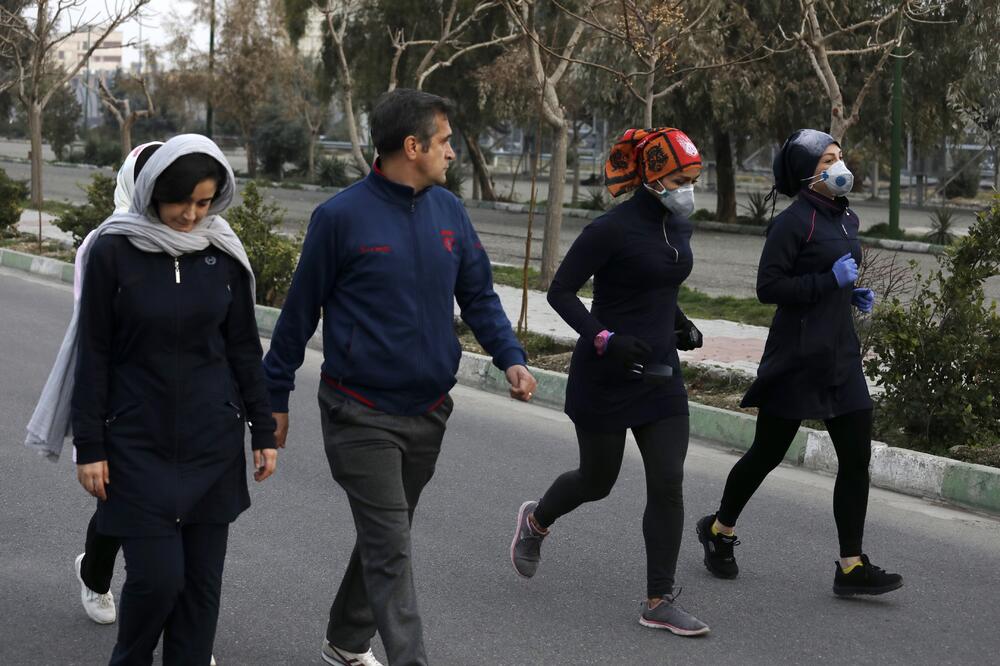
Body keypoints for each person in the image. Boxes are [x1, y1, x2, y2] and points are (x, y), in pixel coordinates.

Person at [262, 89, 538, 666]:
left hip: (429, 410)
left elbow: (479, 295)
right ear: (412, 147)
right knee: (392, 547)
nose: (452, 154)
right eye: (444, 142)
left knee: (384, 538)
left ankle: (344, 642)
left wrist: (509, 355)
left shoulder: (449, 213)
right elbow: (298, 314)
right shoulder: (339, 218)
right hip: (358, 411)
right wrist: (274, 398)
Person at [69, 133, 277, 664]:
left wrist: (262, 426)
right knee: (158, 582)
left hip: (212, 443)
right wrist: (90, 444)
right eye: (180, 200)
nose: (190, 214)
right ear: (151, 190)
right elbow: (93, 352)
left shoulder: (223, 252)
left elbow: (242, 347)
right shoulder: (113, 249)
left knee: (200, 595)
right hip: (137, 444)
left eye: (204, 202)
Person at [509, 128, 710, 636]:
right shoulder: (611, 229)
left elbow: (657, 281)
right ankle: (536, 521)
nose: (691, 189)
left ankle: (658, 599)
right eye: (682, 180)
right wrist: (603, 337)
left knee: (668, 481)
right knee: (597, 481)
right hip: (606, 375)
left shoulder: (677, 226)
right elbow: (560, 292)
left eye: (695, 179)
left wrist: (679, 322)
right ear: (655, 178)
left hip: (661, 375)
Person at [694, 129, 902, 597]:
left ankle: (850, 566)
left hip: (840, 356)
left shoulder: (846, 218)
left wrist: (849, 292)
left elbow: (833, 276)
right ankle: (719, 530)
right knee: (767, 454)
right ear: (809, 173)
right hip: (798, 356)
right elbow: (769, 288)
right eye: (828, 158)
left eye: (840, 155)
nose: (839, 164)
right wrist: (827, 281)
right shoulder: (793, 222)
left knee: (856, 460)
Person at [72, 141, 162, 626]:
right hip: (119, 397)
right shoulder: (102, 243)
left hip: (174, 398)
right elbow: (93, 335)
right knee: (118, 502)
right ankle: (96, 575)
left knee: (169, 513)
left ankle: (180, 623)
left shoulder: (196, 238)